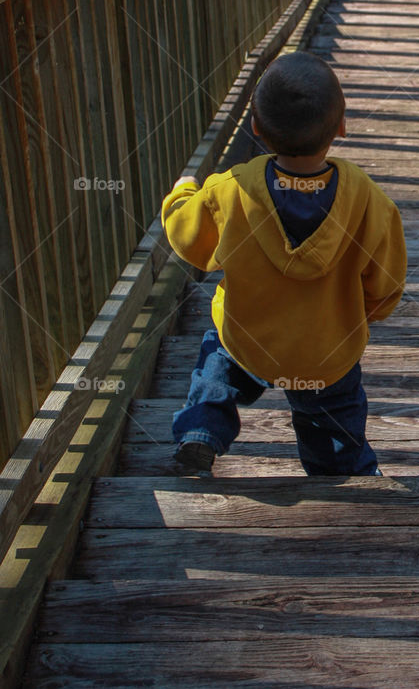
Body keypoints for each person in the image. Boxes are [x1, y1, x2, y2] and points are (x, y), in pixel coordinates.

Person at [160, 50, 406, 477]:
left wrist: (181, 195)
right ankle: (346, 476)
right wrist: (366, 312)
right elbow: (385, 278)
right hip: (325, 354)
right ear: (342, 127)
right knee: (334, 420)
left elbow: (188, 239)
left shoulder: (232, 189)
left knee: (217, 360)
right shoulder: (366, 199)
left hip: (250, 341)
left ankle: (201, 431)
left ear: (256, 129)